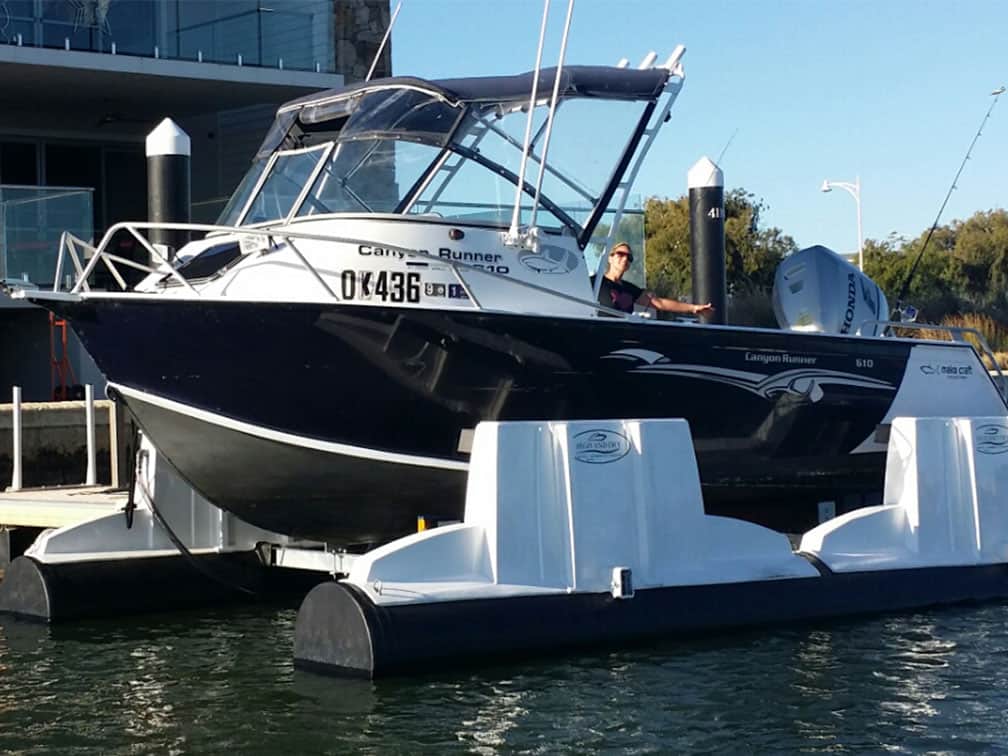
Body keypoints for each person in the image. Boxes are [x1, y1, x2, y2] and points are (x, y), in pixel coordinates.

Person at [592, 242, 714, 316]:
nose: (625, 259)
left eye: (629, 257)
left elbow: (659, 303)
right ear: (610, 258)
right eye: (620, 254)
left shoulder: (630, 289)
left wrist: (693, 308)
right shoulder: (594, 282)